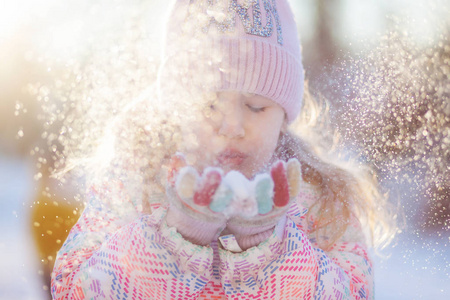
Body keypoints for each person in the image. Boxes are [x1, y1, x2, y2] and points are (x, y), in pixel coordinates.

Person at [51, 0, 394, 299]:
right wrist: (177, 237)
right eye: (209, 105)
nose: (232, 126)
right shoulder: (137, 184)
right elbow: (73, 290)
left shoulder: (320, 198)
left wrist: (266, 245)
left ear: (285, 115)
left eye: (256, 106)